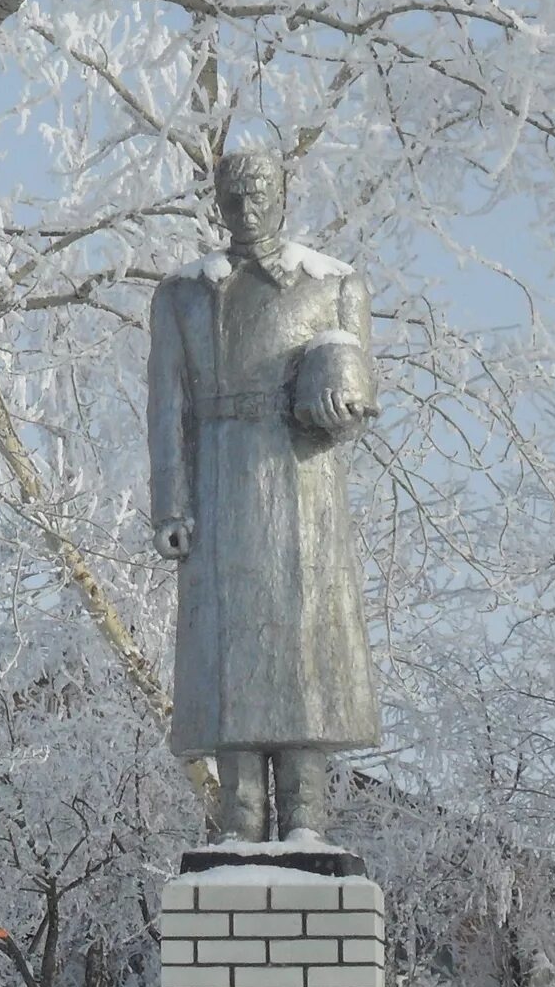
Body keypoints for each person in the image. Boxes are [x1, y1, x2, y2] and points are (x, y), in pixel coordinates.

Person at [146, 144, 381, 844]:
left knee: (306, 642)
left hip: (303, 485)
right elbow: (166, 406)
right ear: (216, 204)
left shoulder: (335, 286)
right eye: (232, 198)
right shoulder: (184, 294)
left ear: (283, 195)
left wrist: (342, 391)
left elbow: (359, 392)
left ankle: (307, 810)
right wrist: (169, 504)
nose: (246, 212)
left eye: (258, 195)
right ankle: (240, 809)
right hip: (219, 482)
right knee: (227, 644)